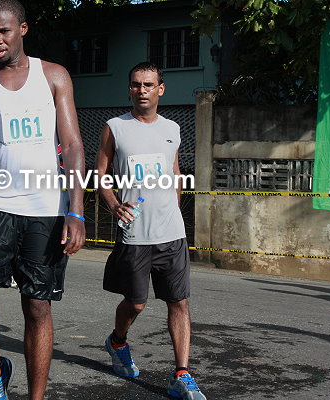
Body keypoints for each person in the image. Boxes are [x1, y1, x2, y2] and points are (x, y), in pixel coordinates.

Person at [0, 1, 85, 399]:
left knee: (37, 307)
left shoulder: (54, 75)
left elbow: (73, 146)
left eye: (3, 31)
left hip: (44, 208)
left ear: (22, 29)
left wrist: (76, 211)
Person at [95, 61, 206, 400]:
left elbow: (174, 174)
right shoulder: (115, 127)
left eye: (147, 84)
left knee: (179, 302)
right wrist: (114, 205)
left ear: (160, 89)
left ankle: (182, 374)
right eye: (135, 84)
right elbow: (101, 175)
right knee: (137, 303)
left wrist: (173, 207)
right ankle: (118, 342)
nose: (141, 90)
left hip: (172, 234)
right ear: (129, 88)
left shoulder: (172, 128)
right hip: (135, 234)